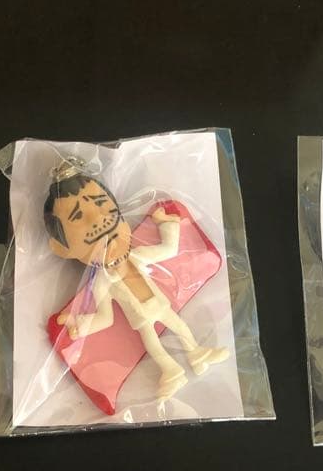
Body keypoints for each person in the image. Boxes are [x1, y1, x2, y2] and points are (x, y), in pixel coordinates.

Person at [44, 161, 228, 401]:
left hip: (159, 304)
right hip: (141, 319)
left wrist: (167, 222)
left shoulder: (138, 256)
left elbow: (169, 249)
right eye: (78, 216)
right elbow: (105, 318)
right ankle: (171, 371)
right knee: (154, 346)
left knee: (181, 327)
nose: (98, 219)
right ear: (62, 249)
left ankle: (197, 355)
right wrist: (78, 324)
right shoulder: (101, 282)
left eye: (101, 205)